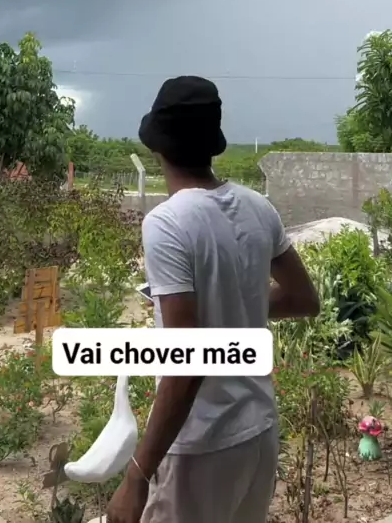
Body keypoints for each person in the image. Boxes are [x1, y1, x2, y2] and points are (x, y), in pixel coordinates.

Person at [106, 76, 320, 523]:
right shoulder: (258, 207)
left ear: (157, 147)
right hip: (258, 433)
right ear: (212, 145)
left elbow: (187, 366)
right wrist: (235, 305)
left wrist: (136, 476)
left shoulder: (167, 223)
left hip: (201, 448)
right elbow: (304, 299)